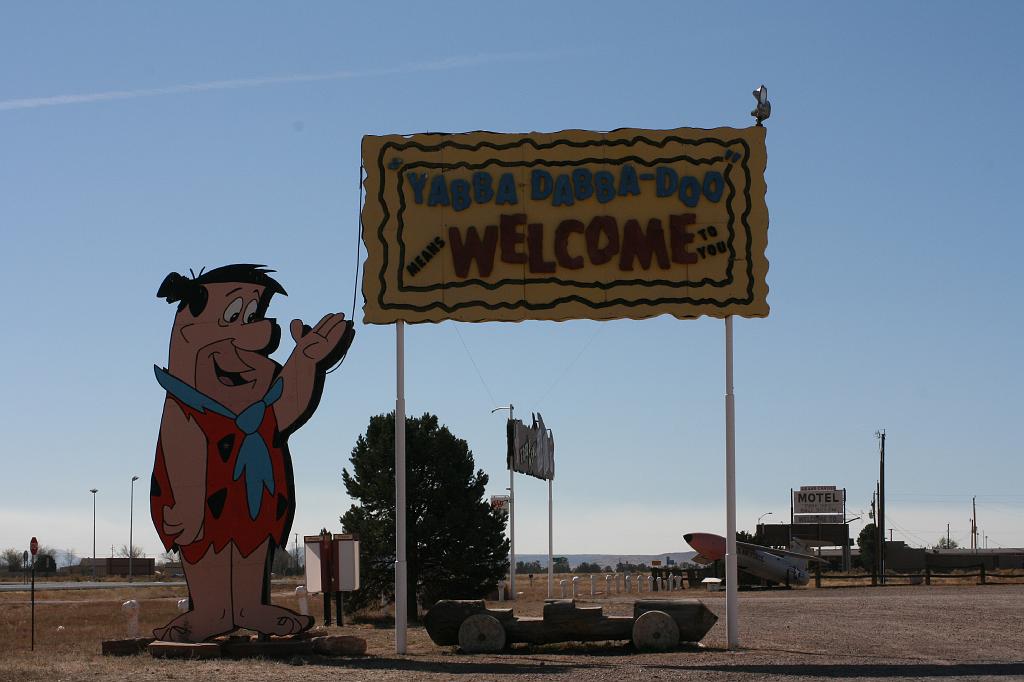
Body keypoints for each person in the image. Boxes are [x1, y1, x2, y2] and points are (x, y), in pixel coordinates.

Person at [149, 264, 353, 641]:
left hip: (254, 494)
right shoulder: (186, 397)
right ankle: (210, 612)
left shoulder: (256, 380)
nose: (257, 330)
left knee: (251, 539)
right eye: (234, 315)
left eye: (253, 314)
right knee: (204, 542)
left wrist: (306, 360)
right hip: (205, 500)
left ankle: (247, 605)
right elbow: (181, 445)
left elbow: (285, 406)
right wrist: (189, 504)